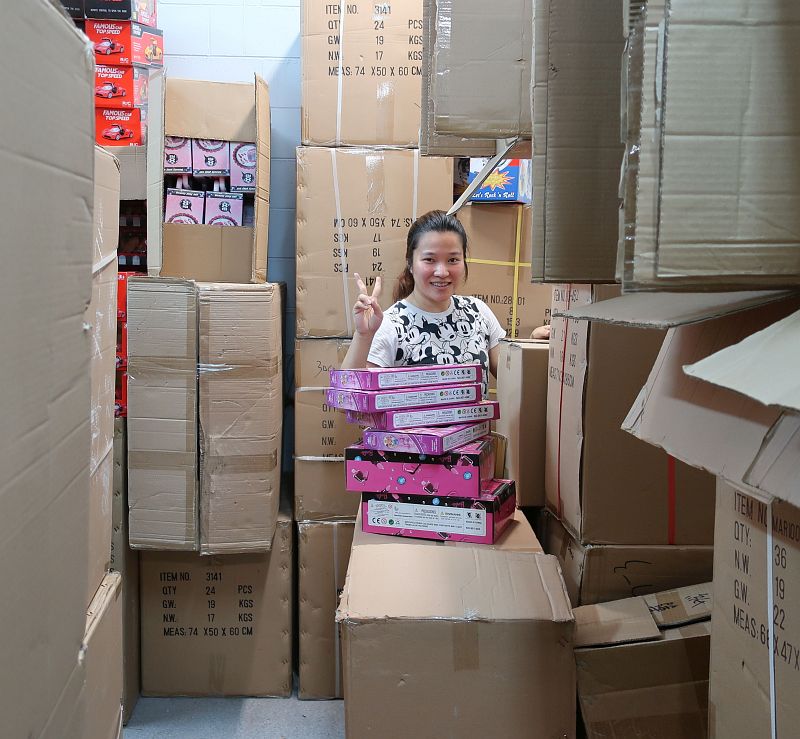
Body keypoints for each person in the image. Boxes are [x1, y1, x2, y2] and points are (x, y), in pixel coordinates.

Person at [340, 210, 507, 395]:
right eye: (429, 260)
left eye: (453, 260)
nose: (442, 272)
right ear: (410, 264)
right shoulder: (389, 325)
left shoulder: (478, 312)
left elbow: (512, 378)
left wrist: (531, 351)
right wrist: (363, 336)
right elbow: (348, 397)